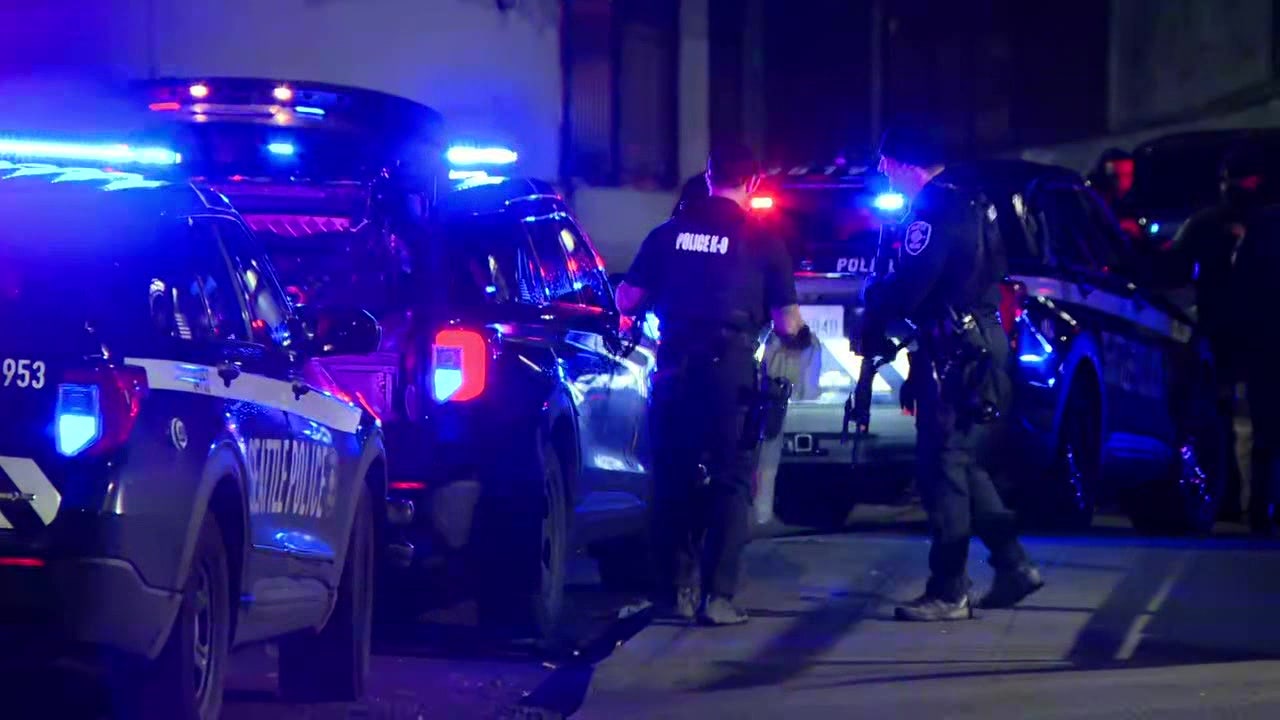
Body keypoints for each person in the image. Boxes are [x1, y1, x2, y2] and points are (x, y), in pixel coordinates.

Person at [615, 141, 809, 625]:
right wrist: (799, 341)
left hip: (675, 368)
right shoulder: (764, 240)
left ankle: (671, 593)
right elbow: (787, 324)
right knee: (731, 481)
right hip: (731, 372)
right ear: (754, 182)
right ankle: (718, 598)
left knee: (671, 478)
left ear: (707, 177)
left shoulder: (667, 234)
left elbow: (626, 300)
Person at [860, 122, 1043, 621]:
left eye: (887, 165)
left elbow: (912, 286)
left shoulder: (933, 209)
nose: (883, 174)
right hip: (976, 344)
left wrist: (874, 297)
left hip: (955, 351)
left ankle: (948, 589)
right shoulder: (970, 199)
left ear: (905, 164)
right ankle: (1013, 565)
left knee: (940, 466)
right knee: (961, 461)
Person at [1154, 143, 1266, 528]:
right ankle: (1243, 502)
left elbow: (1172, 269)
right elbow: (1174, 268)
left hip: (1243, 333)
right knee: (1227, 419)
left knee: (1237, 420)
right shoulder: (1211, 224)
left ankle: (1245, 502)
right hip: (1233, 334)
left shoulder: (1232, 224)